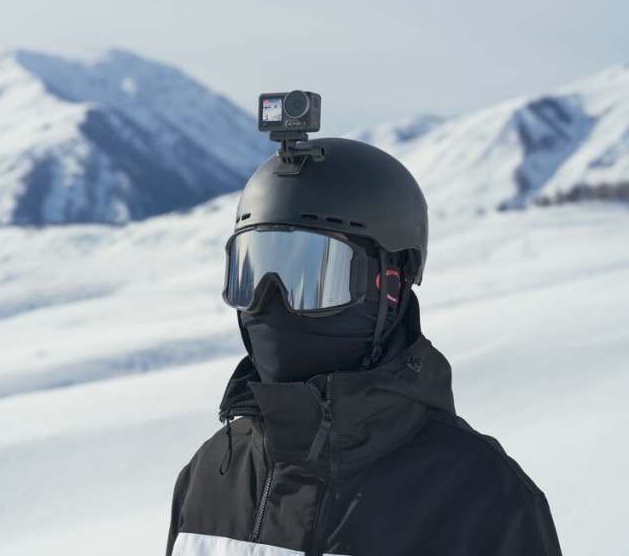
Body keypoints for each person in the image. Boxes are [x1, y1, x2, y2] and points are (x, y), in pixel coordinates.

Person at [166, 138, 563, 556]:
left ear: (390, 287)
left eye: (313, 276)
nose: (271, 302)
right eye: (253, 275)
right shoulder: (210, 476)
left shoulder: (482, 500)